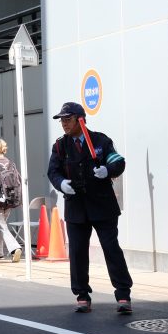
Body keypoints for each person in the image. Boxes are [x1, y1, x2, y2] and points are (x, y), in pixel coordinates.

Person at [46, 102, 133, 314]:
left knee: (111, 248)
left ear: (80, 119)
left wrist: (108, 169)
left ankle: (123, 293)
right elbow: (53, 171)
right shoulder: (60, 146)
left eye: (68, 119)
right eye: (62, 121)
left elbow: (118, 161)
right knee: (77, 251)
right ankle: (82, 294)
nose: (64, 124)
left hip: (102, 204)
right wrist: (61, 183)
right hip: (76, 206)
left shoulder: (100, 140)